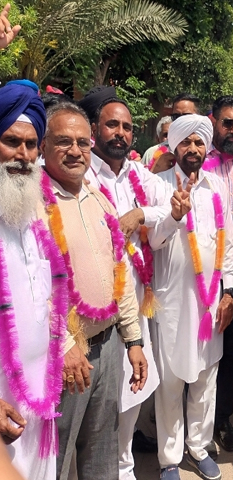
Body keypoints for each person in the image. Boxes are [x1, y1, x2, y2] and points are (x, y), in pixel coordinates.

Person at [40, 101, 147, 480]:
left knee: (102, 454)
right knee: (54, 458)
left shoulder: (98, 198)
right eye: (63, 141)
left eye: (82, 142)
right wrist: (64, 344)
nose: (75, 151)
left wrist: (133, 339)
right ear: (43, 146)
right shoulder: (33, 204)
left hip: (108, 346)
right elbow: (30, 289)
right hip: (65, 357)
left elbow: (121, 273)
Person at [148, 114, 233, 480]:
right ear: (175, 146)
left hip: (210, 301)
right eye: (186, 141)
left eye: (200, 142)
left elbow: (227, 244)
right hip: (171, 301)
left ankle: (199, 447)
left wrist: (228, 292)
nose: (193, 148)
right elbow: (152, 241)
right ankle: (169, 458)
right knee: (171, 382)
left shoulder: (216, 187)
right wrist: (173, 216)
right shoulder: (157, 185)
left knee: (206, 377)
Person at [84, 97, 167, 480]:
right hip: (93, 308)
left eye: (127, 127)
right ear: (94, 129)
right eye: (112, 125)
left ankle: (125, 467)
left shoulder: (137, 173)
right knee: (97, 399)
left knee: (133, 385)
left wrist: (140, 213)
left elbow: (170, 207)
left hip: (133, 301)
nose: (120, 133)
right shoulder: (82, 171)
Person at [0, 81, 56, 480]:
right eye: (11, 142)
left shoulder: (31, 216)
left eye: (31, 144)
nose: (22, 155)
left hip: (41, 395)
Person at [202, 95, 233, 453]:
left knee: (230, 353)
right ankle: (190, 425)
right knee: (199, 353)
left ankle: (221, 420)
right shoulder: (196, 162)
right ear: (213, 122)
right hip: (203, 278)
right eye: (227, 123)